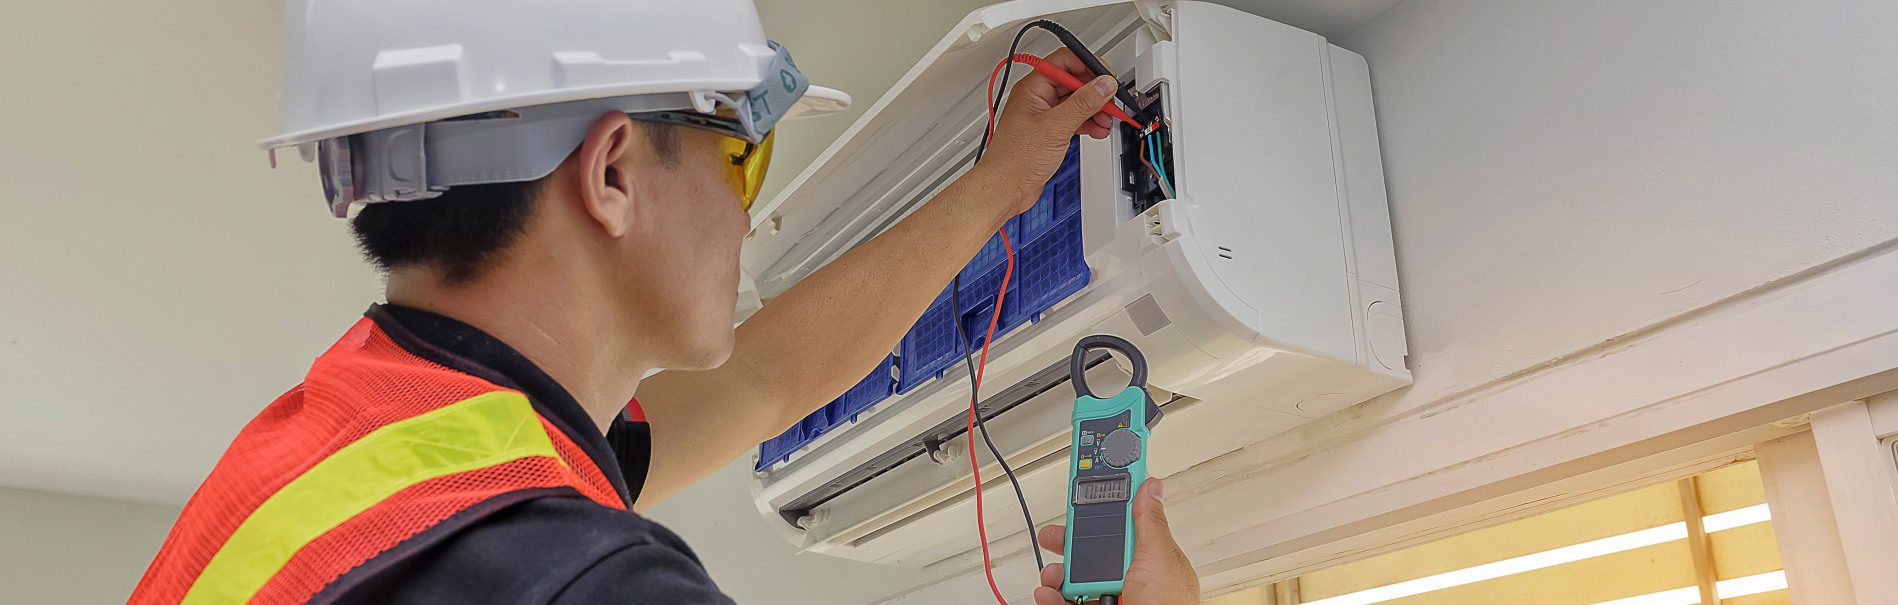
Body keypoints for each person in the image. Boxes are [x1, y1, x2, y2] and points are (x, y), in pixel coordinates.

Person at [131, 1, 1201, 603]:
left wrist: (1001, 188)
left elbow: (763, 375)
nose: (749, 211)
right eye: (744, 155)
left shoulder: (379, 443)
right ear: (612, 173)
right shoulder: (572, 582)